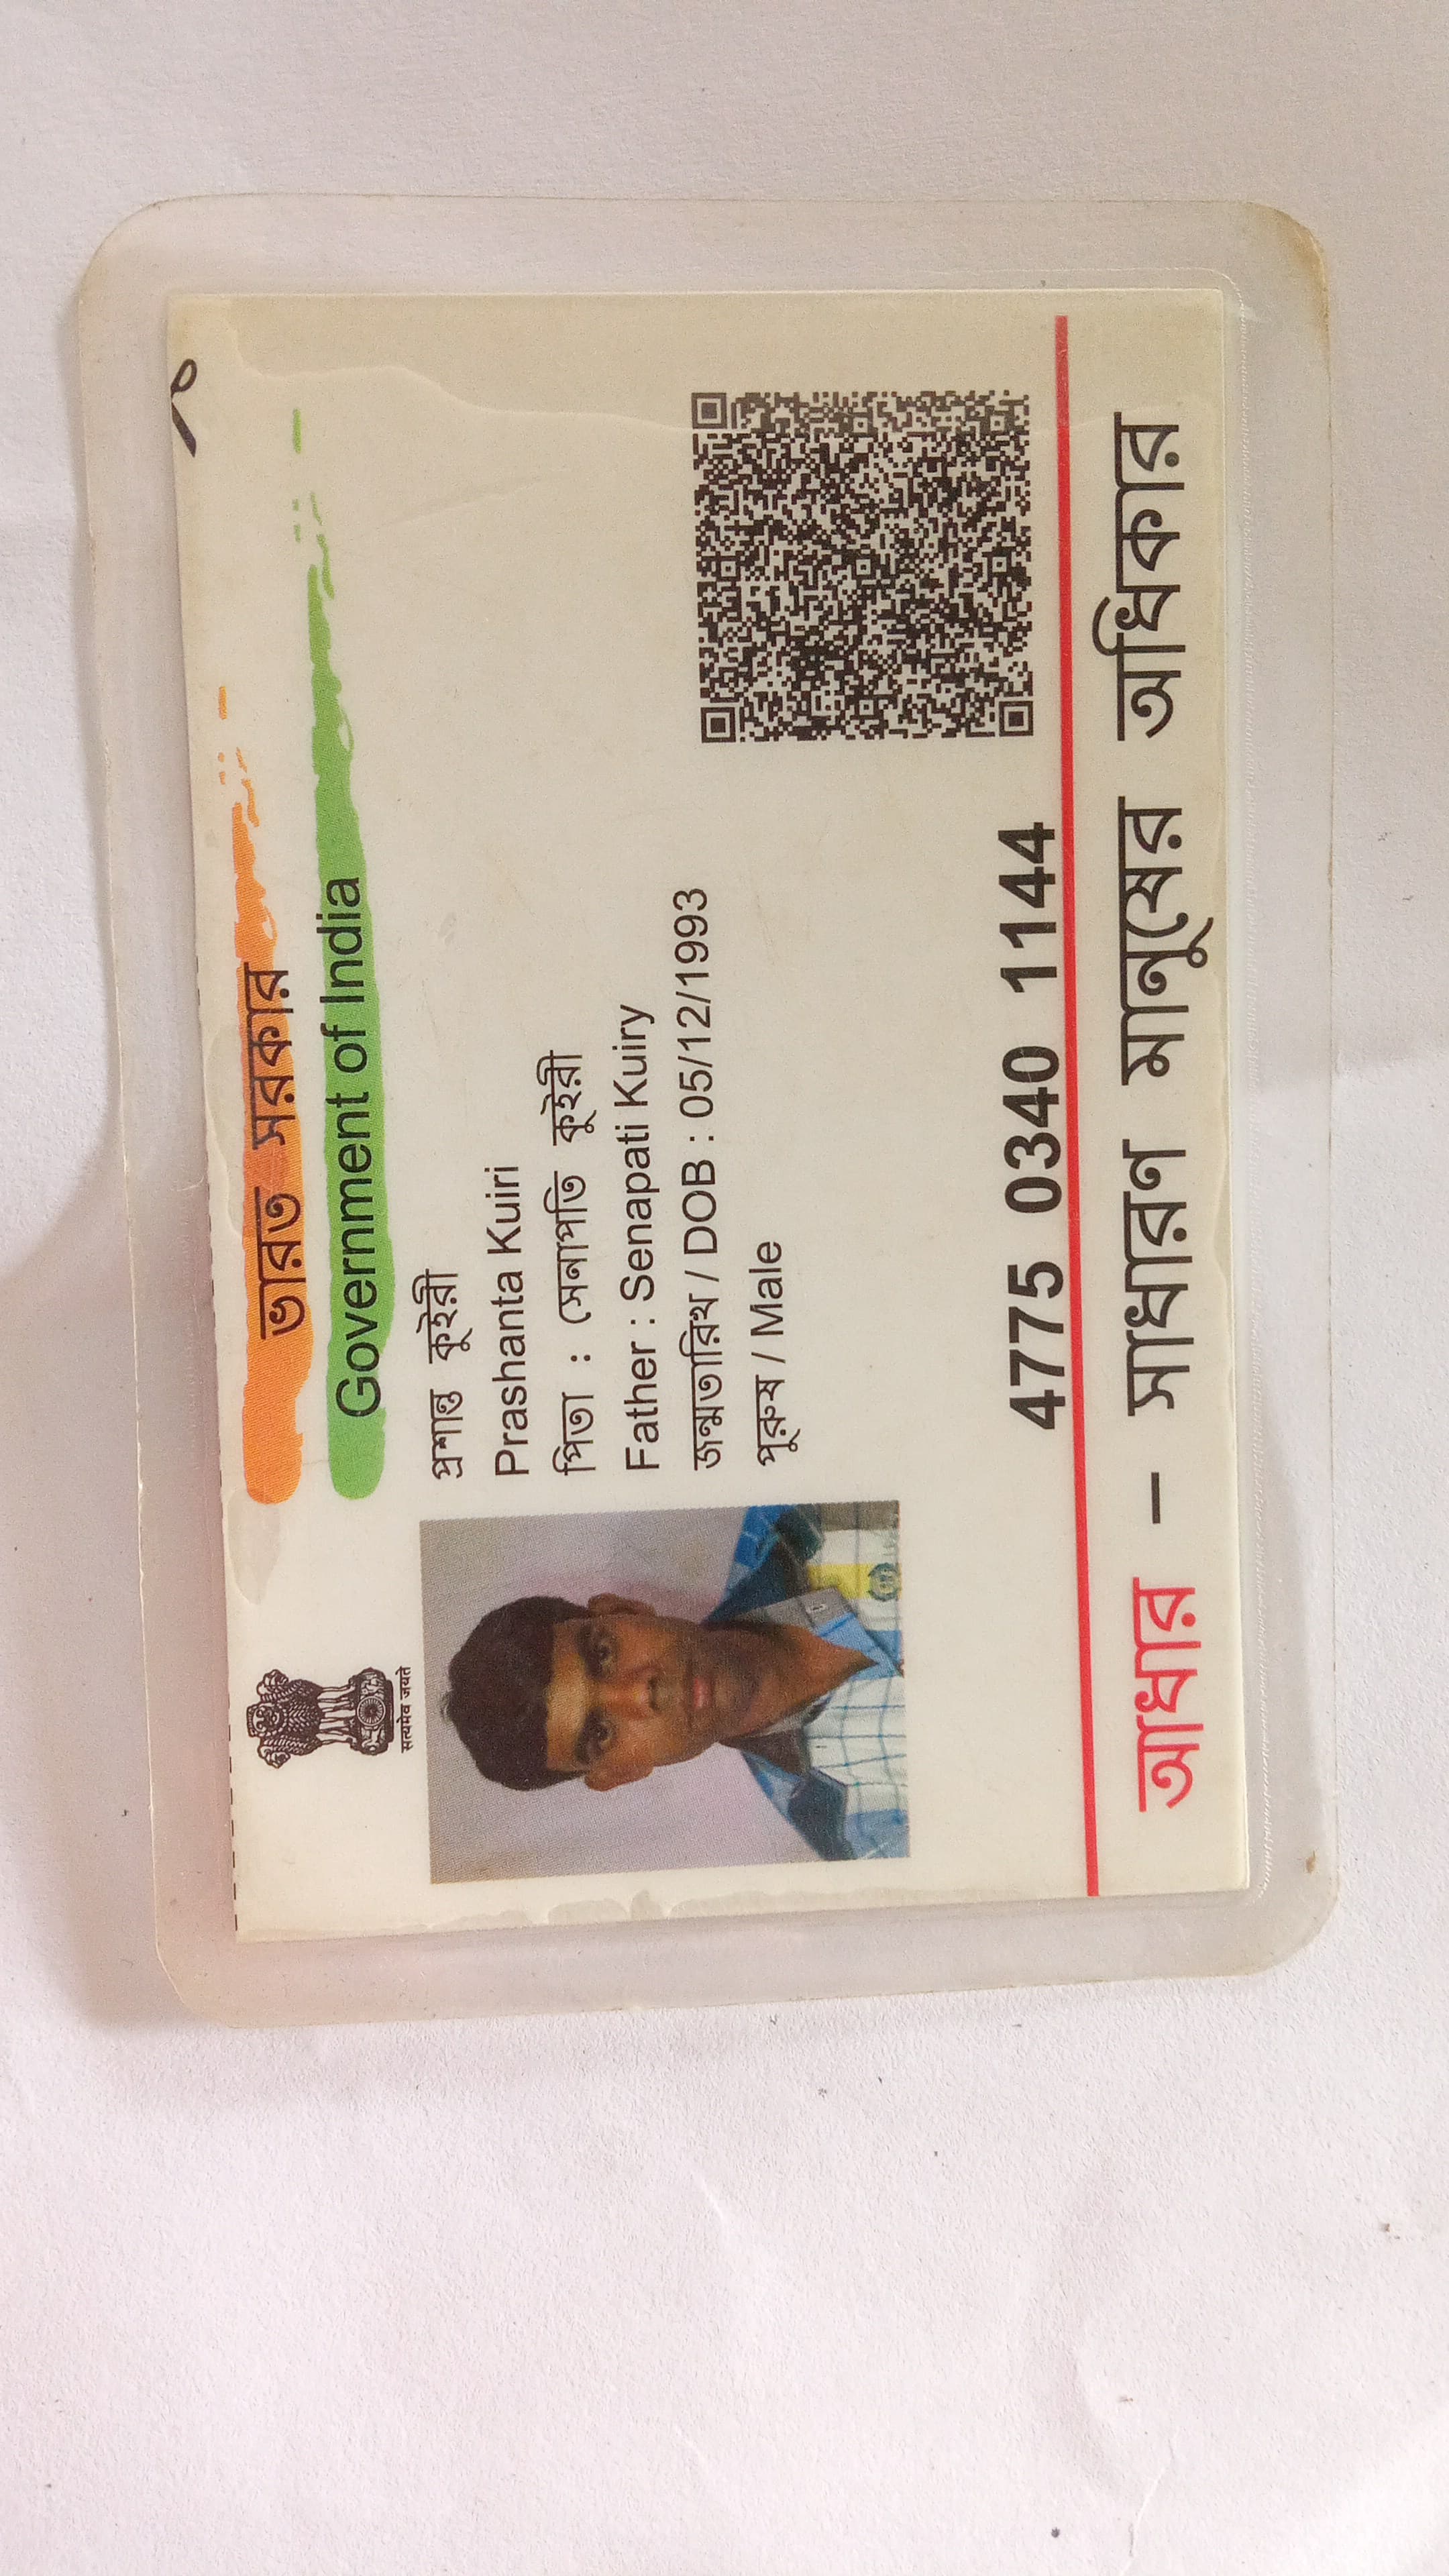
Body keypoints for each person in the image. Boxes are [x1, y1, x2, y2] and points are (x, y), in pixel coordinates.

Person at [445, 1503, 906, 1860]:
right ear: (623, 1773)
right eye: (601, 1732)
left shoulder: (818, 1513)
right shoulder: (852, 1829)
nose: (640, 1692)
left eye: (604, 1654)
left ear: (623, 1610)